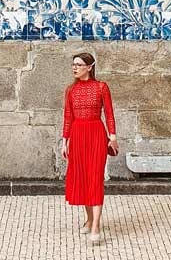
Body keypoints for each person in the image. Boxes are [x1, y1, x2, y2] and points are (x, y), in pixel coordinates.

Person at [60, 51, 117, 244]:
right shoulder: (70, 90)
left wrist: (113, 137)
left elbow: (109, 114)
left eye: (78, 64)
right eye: (73, 65)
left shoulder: (101, 87)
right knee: (83, 178)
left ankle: (96, 226)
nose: (74, 68)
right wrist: (64, 140)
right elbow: (68, 116)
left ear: (89, 67)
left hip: (96, 135)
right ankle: (90, 218)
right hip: (77, 135)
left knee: (95, 178)